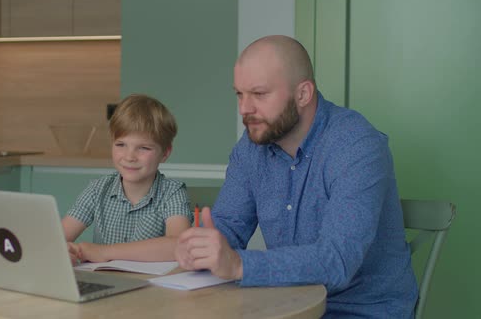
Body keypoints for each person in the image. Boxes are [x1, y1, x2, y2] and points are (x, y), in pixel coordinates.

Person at [175, 35, 418, 317]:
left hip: (362, 310)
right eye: (239, 94)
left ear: (303, 94)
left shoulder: (356, 144)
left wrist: (239, 265)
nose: (245, 109)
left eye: (259, 94)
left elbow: (337, 260)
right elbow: (229, 227)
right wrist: (200, 249)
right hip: (284, 303)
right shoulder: (250, 147)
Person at [63, 94, 193, 264]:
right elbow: (56, 239)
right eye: (120, 145)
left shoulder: (172, 192)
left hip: (152, 287)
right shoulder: (98, 189)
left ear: (165, 153)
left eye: (144, 148)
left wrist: (105, 252)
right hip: (106, 283)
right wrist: (67, 252)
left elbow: (178, 245)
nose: (129, 156)